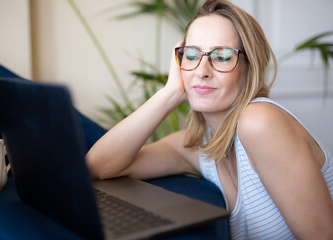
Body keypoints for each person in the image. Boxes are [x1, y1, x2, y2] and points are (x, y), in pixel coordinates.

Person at [86, 0, 333, 239]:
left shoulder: (260, 121)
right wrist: (170, 93)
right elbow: (98, 167)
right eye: (192, 55)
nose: (202, 71)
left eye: (223, 56)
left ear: (249, 68)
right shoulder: (197, 147)